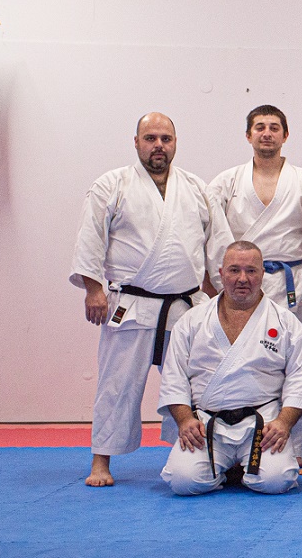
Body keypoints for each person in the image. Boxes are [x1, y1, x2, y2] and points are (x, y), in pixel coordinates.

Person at [70, 112, 232, 487]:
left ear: (175, 143)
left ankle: (191, 452)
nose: (158, 145)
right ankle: (101, 461)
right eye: (150, 138)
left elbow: (218, 245)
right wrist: (93, 289)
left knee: (194, 385)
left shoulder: (196, 187)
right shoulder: (112, 184)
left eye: (165, 139)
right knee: (117, 384)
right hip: (130, 304)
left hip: (186, 307)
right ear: (136, 142)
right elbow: (90, 237)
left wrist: (222, 294)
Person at [158, 241, 302, 495]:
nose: (243, 279)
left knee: (275, 481)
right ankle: (229, 467)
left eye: (251, 271)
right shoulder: (192, 321)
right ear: (221, 274)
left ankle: (234, 467)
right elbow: (174, 377)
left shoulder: (285, 322)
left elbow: (301, 379)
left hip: (262, 426)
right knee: (183, 481)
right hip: (206, 424)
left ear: (262, 274)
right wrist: (185, 419)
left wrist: (284, 423)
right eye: (234, 270)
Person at [208, 105, 302, 320]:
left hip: (291, 284)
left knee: (291, 338)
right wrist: (223, 282)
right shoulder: (226, 182)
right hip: (241, 282)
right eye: (260, 128)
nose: (267, 133)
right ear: (248, 135)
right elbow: (215, 238)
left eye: (274, 128)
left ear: (285, 135)